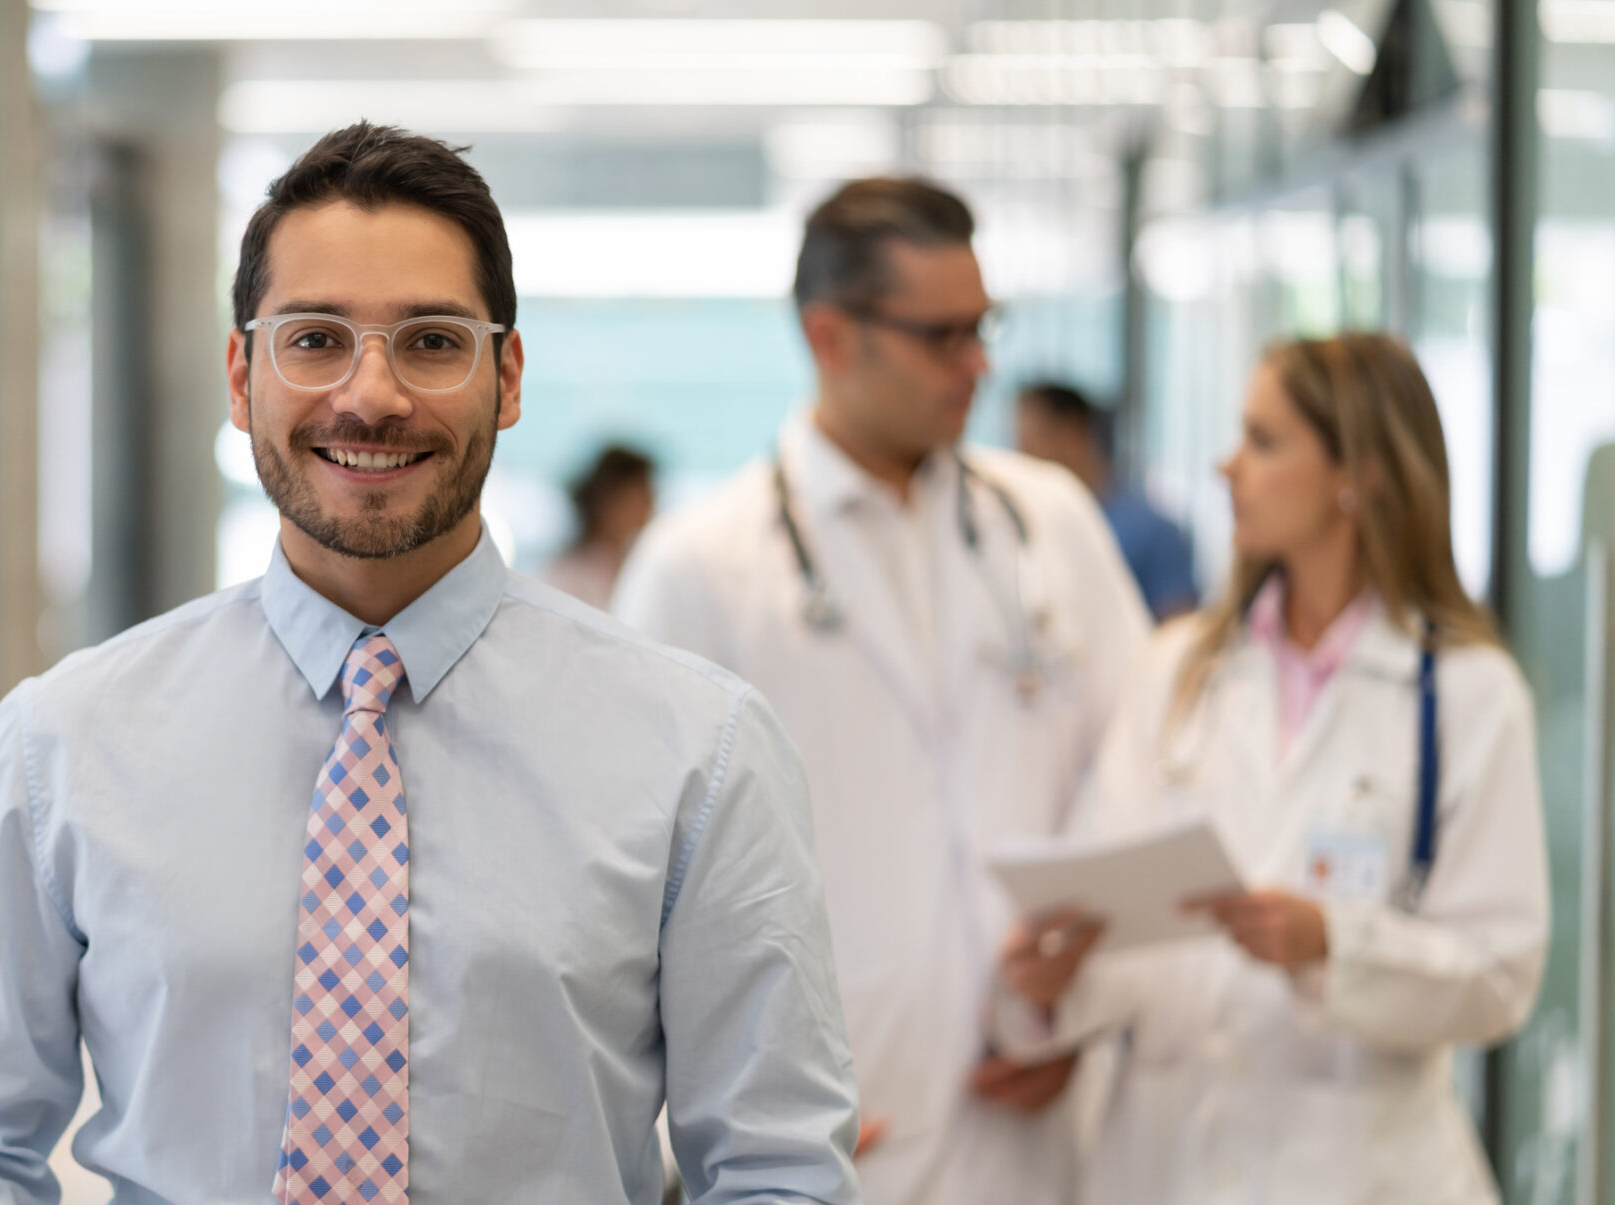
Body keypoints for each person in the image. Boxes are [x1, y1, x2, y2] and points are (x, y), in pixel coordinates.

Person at [0, 123, 862, 1205]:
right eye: (315, 339)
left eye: (433, 341)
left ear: (508, 375)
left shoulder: (699, 753)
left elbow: (777, 1169)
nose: (373, 395)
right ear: (244, 374)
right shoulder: (58, 745)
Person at [612, 177, 1150, 1205]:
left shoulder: (1051, 524)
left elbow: (1135, 782)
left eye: (984, 327)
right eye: (942, 335)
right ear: (831, 335)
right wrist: (729, 1121)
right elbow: (638, 891)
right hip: (819, 1143)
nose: (980, 364)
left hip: (1037, 1115)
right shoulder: (701, 569)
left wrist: (1084, 1004)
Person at [997, 334, 1549, 1205]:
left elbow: (1500, 977)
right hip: (1164, 1159)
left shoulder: (1468, 695)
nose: (1226, 466)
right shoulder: (1181, 668)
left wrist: (1333, 942)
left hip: (1359, 1168)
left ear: (1357, 474)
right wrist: (1054, 980)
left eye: (1262, 441)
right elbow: (1108, 902)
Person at [1014, 380, 1199, 620]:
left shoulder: (1153, 531)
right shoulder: (1031, 527)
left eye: (1030, 441)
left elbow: (1178, 631)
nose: (1019, 458)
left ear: (1073, 431)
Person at [538, 443, 657, 608]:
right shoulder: (568, 576)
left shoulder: (636, 564)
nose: (649, 509)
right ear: (608, 502)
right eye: (641, 498)